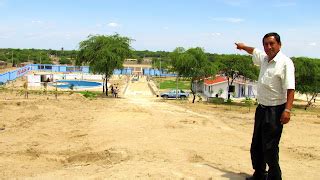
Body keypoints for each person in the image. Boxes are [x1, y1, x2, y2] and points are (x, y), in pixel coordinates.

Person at [235, 32, 295, 180]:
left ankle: (275, 177)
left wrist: (287, 110)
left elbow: (290, 88)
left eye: (271, 43)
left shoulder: (285, 63)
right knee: (257, 144)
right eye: (266, 44)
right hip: (261, 109)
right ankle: (259, 174)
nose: (268, 47)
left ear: (279, 45)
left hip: (275, 110)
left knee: (270, 147)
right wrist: (242, 47)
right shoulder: (264, 59)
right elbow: (254, 51)